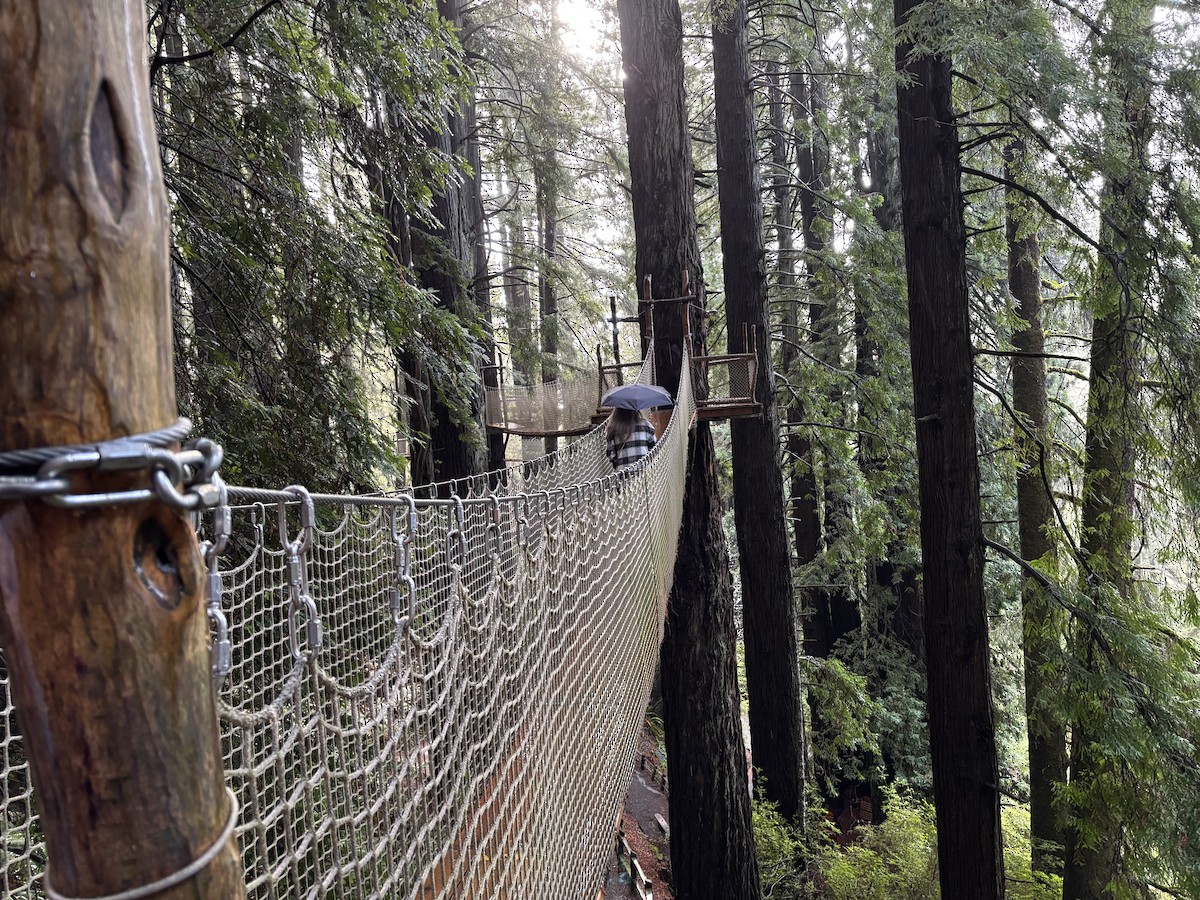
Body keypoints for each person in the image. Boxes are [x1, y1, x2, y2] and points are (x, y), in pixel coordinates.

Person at [605, 406, 657, 471]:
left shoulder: (613, 429)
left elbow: (611, 455)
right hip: (644, 471)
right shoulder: (646, 425)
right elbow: (654, 447)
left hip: (624, 474)